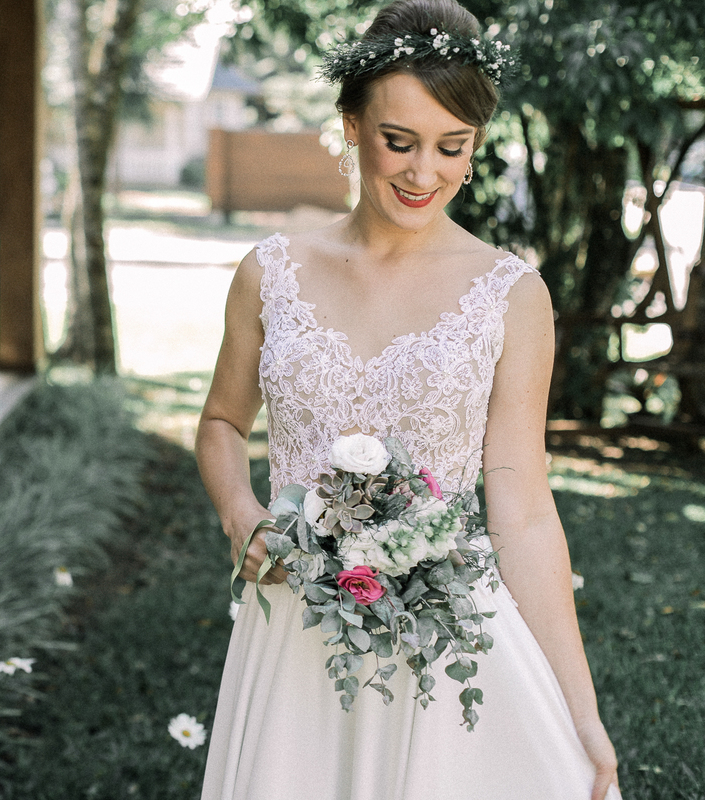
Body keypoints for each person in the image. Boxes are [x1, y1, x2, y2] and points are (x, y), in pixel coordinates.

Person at [194, 1, 623, 798]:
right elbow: (221, 421)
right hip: (295, 626)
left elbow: (525, 510)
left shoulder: (510, 296)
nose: (424, 173)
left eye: (451, 147)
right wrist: (240, 514)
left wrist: (582, 709)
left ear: (474, 146)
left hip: (445, 637)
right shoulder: (270, 273)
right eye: (399, 141)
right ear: (352, 124)